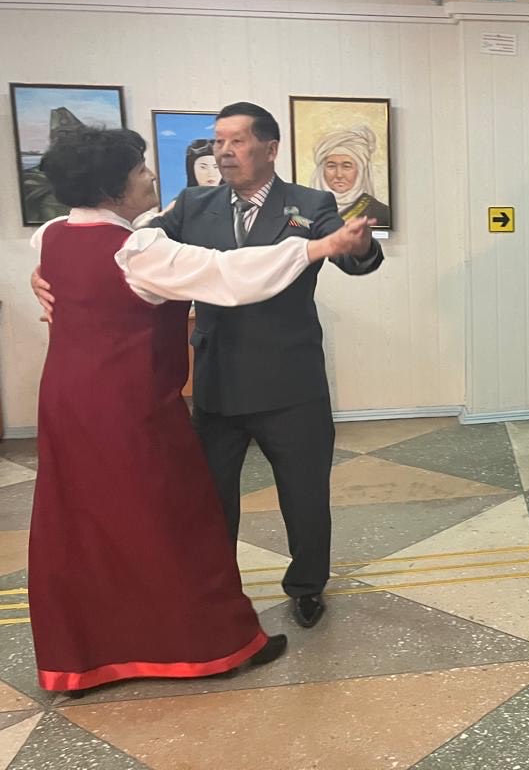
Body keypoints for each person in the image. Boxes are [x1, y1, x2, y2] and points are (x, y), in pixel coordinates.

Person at [28, 126, 372, 694]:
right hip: (132, 406)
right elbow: (227, 274)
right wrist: (316, 248)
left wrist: (36, 275)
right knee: (179, 519)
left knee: (83, 524)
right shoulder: (140, 248)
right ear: (113, 189)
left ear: (269, 148)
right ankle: (212, 644)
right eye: (140, 171)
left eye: (236, 140)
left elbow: (59, 260)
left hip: (67, 402)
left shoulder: (53, 235)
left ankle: (85, 658)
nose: (151, 177)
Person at [309, 124, 391, 228]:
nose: (339, 175)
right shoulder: (306, 209)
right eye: (331, 166)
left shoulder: (380, 213)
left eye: (347, 166)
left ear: (360, 171)